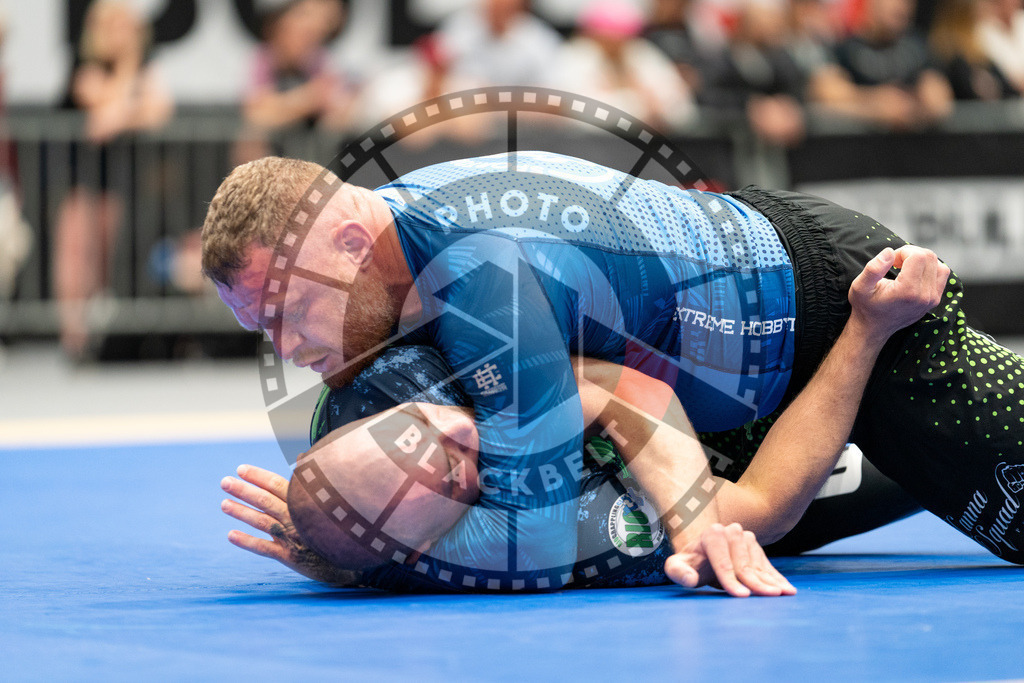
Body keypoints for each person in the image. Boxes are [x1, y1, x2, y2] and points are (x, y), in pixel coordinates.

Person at [201, 150, 1023, 592]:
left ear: (348, 245)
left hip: (831, 305)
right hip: (729, 382)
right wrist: (342, 524)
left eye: (282, 314)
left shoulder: (483, 282)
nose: (289, 351)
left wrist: (364, 553)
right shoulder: (390, 252)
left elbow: (563, 500)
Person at [54, 0, 173, 358]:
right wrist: (127, 72)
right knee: (75, 256)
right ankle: (71, 338)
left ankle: (91, 336)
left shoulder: (144, 68)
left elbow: (158, 112)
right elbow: (102, 119)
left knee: (104, 260)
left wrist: (124, 110)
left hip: (117, 180)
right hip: (78, 178)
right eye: (114, 27)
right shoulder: (85, 66)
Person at [808, 0, 954, 129]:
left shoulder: (918, 45)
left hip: (913, 150)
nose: (901, 6)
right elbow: (825, 91)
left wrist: (917, 105)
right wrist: (874, 104)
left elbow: (938, 95)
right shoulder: (848, 48)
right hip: (862, 150)